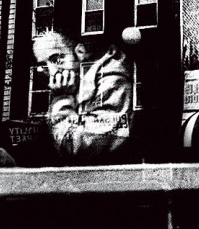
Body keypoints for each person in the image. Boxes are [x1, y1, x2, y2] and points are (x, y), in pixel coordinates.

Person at [32, 30, 133, 163]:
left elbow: (79, 146)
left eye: (57, 60)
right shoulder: (74, 85)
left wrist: (62, 99)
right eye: (44, 67)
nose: (52, 72)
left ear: (79, 52)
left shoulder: (112, 80)